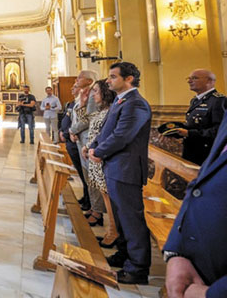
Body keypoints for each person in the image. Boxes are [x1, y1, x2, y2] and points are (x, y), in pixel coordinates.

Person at [163, 93, 227, 298]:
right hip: (198, 270)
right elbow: (203, 180)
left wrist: (216, 293)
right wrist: (177, 251)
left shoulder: (219, 102)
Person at [88, 62, 152, 285]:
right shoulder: (121, 100)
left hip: (126, 169)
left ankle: (137, 268)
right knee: (120, 216)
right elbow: (107, 130)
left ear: (129, 79)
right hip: (115, 167)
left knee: (131, 218)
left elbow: (122, 135)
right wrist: (94, 145)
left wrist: (99, 151)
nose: (108, 80)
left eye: (113, 77)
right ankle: (124, 254)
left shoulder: (136, 104)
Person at [82, 79, 119, 248]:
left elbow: (108, 135)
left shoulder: (112, 110)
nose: (93, 94)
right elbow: (94, 129)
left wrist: (95, 149)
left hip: (101, 158)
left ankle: (114, 232)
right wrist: (89, 146)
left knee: (108, 196)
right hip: (95, 155)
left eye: (96, 91)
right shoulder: (102, 110)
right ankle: (112, 230)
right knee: (104, 194)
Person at [167, 69, 227, 166]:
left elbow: (220, 130)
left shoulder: (218, 101)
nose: (189, 81)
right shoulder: (195, 100)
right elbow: (195, 125)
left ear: (209, 81)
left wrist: (189, 133)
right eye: (189, 78)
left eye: (194, 78)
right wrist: (177, 130)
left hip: (206, 153)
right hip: (192, 150)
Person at [70, 70, 104, 225]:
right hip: (82, 140)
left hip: (89, 141)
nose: (77, 79)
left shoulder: (91, 96)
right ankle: (92, 207)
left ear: (90, 81)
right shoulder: (85, 95)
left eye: (80, 77)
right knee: (87, 176)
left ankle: (97, 212)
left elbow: (89, 120)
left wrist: (72, 130)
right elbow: (81, 116)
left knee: (92, 177)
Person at [60, 85, 91, 211]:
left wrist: (71, 131)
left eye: (76, 85)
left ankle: (90, 203)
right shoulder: (73, 103)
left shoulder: (86, 102)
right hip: (71, 139)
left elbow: (85, 120)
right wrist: (62, 130)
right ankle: (86, 197)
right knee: (81, 172)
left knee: (85, 174)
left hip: (78, 140)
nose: (72, 88)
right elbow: (67, 118)